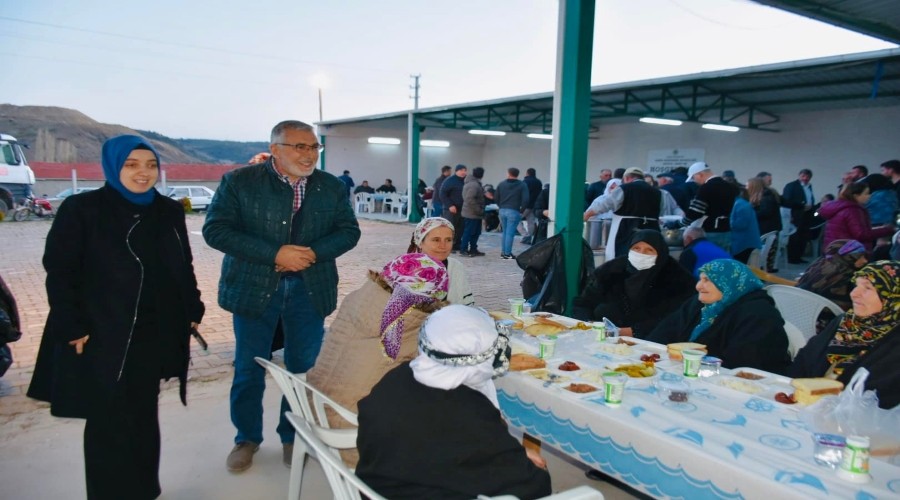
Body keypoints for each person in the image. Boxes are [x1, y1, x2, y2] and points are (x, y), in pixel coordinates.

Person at [27, 135, 205, 499]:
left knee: (143, 414)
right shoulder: (83, 209)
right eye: (132, 165)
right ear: (112, 166)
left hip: (152, 332)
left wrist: (192, 307)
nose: (144, 173)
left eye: (151, 165)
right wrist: (71, 324)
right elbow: (60, 272)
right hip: (102, 331)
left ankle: (144, 489)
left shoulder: (167, 211)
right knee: (107, 420)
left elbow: (182, 266)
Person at [202, 120, 361, 473]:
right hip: (255, 288)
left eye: (313, 147)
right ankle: (246, 438)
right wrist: (275, 253)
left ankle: (293, 436)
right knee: (248, 368)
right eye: (298, 147)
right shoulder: (240, 181)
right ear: (275, 149)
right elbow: (216, 230)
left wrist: (312, 252)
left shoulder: (330, 187)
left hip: (309, 289)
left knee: (304, 369)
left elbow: (349, 231)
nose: (308, 155)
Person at [356, 305, 552, 499]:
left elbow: (449, 452)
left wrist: (514, 453)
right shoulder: (469, 411)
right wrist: (524, 464)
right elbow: (531, 486)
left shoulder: (397, 378)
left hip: (380, 487)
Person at [306, 253, 449, 465]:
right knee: (451, 416)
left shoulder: (359, 299)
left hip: (316, 407)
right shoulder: (408, 326)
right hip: (353, 432)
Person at [646, 259, 791, 374]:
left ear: (729, 283)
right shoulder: (699, 304)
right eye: (700, 279)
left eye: (707, 280)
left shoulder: (759, 316)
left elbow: (743, 366)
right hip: (691, 373)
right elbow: (663, 333)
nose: (698, 286)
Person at [789, 261, 900, 409]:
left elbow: (881, 401)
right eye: (857, 285)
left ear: (893, 298)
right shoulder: (846, 322)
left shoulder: (894, 344)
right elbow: (805, 360)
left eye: (867, 288)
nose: (854, 294)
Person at [572, 230, 696, 338]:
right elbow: (583, 303)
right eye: (636, 248)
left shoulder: (678, 280)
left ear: (660, 254)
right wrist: (588, 323)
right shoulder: (610, 271)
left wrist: (632, 332)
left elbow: (675, 320)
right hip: (601, 338)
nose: (641, 254)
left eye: (649, 250)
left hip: (651, 345)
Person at [584, 167, 663, 261]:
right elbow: (660, 210)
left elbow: (606, 204)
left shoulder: (624, 188)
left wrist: (587, 215)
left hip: (626, 228)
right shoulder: (658, 192)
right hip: (651, 229)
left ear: (626, 178)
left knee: (623, 257)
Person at [670, 162, 740, 254]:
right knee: (722, 260)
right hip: (726, 230)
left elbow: (695, 212)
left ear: (700, 174)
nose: (694, 181)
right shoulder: (729, 187)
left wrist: (678, 224)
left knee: (708, 261)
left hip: (710, 231)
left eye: (694, 177)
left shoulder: (706, 188)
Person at [407, 217, 474, 305]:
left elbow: (467, 303)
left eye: (448, 240)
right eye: (436, 240)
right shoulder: (406, 270)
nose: (443, 246)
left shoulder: (455, 266)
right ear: (420, 242)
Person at [818, 181, 894, 253]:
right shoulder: (853, 210)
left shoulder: (837, 207)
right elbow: (861, 234)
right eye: (866, 193)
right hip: (849, 253)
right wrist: (887, 230)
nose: (869, 196)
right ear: (856, 196)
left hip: (835, 250)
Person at [796, 239, 868, 311]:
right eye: (860, 257)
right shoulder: (847, 277)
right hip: (826, 317)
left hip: (801, 311)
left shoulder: (819, 264)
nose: (865, 261)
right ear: (849, 257)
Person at [747, 177, 782, 272]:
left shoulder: (765, 198)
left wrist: (749, 212)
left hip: (765, 231)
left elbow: (764, 213)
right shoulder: (768, 195)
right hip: (768, 230)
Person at [781, 168, 817, 264]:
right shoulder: (791, 186)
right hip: (795, 214)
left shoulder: (809, 187)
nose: (805, 178)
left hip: (807, 215)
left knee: (803, 237)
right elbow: (786, 201)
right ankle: (792, 257)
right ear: (799, 176)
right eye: (803, 176)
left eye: (807, 177)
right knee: (794, 237)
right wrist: (801, 205)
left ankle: (799, 256)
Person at [496, 167, 530, 259]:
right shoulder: (522, 185)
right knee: (510, 233)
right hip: (514, 210)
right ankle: (507, 253)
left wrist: (500, 206)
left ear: (508, 173)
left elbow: (496, 197)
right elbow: (526, 199)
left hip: (502, 210)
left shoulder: (501, 184)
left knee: (505, 232)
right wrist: (521, 210)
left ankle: (504, 252)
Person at [440, 164, 467, 252]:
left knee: (460, 228)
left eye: (465, 170)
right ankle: (447, 246)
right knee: (450, 229)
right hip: (450, 210)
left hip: (462, 209)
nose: (463, 172)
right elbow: (442, 194)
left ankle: (456, 244)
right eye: (461, 170)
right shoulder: (450, 181)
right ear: (456, 171)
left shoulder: (466, 181)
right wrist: (450, 205)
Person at [460, 166, 487, 257]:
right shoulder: (474, 185)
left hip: (473, 213)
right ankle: (463, 249)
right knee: (469, 232)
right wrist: (478, 210)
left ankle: (473, 249)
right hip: (472, 213)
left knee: (475, 232)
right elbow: (469, 199)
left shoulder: (473, 183)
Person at [729, 194, 761, 264]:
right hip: (746, 242)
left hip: (745, 244)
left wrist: (727, 222)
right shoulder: (741, 204)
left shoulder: (740, 205)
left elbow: (741, 224)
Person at [522, 167, 543, 240]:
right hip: (534, 205)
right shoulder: (539, 182)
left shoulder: (525, 181)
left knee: (515, 220)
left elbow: (523, 193)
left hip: (526, 205)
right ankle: (530, 237)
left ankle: (525, 235)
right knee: (531, 221)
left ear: (527, 173)